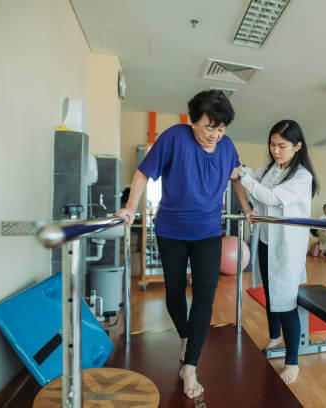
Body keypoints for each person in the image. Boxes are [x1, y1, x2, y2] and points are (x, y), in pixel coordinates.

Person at [116, 90, 252, 399]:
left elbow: (236, 178)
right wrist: (130, 207)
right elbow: (143, 173)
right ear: (192, 121)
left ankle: (190, 366)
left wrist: (245, 207)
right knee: (174, 292)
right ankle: (185, 336)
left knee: (205, 296)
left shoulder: (227, 146)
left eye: (221, 129)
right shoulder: (173, 138)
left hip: (207, 232)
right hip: (171, 230)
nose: (214, 135)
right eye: (208, 127)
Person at [237, 119, 318, 384]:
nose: (276, 150)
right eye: (272, 144)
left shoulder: (302, 176)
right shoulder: (272, 168)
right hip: (266, 241)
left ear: (297, 146)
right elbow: (255, 179)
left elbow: (271, 197)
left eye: (282, 145)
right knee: (270, 293)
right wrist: (242, 170)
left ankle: (292, 361)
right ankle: (274, 337)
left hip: (286, 247)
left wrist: (244, 177)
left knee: (286, 301)